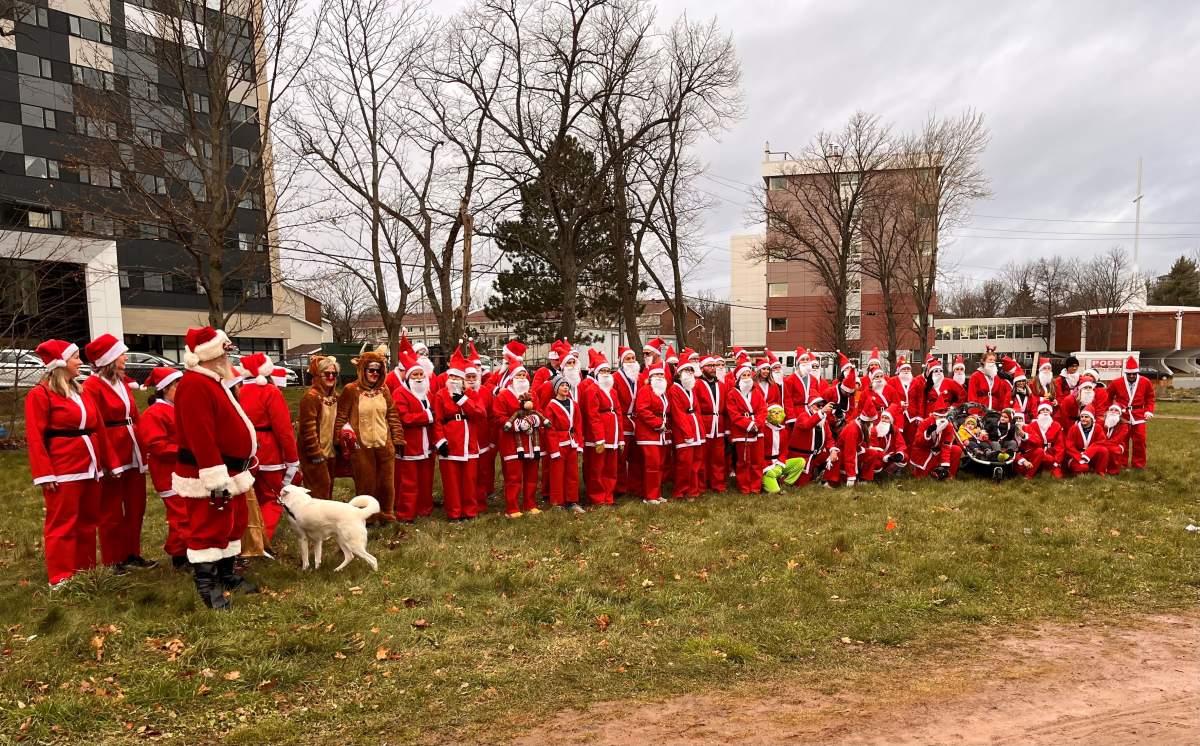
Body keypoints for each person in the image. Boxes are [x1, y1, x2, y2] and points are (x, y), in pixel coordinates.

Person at [171, 327, 259, 610]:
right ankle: (207, 587)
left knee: (231, 524)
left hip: (230, 470)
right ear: (211, 353)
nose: (229, 355)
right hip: (209, 473)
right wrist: (214, 476)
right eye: (225, 349)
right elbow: (200, 435)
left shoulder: (214, 382)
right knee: (207, 528)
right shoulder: (195, 385)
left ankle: (226, 574)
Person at [25, 340, 109, 588]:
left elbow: (96, 427)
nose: (80, 362)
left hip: (89, 465)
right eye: (76, 358)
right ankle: (61, 576)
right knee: (63, 522)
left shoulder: (80, 391)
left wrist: (102, 462)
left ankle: (85, 570)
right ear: (61, 363)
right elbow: (35, 437)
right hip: (63, 468)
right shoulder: (39, 394)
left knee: (87, 519)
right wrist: (44, 474)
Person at [82, 334, 153, 572]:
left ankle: (132, 552)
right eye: (121, 354)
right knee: (111, 507)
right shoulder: (92, 386)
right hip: (112, 446)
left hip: (132, 447)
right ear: (110, 359)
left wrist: (145, 445)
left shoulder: (122, 383)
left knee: (136, 505)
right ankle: (114, 558)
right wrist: (107, 459)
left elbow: (135, 414)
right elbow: (96, 423)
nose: (125, 357)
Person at [335, 349, 405, 522]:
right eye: (371, 370)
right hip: (361, 447)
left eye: (378, 370)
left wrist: (397, 438)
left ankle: (386, 514)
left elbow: (392, 415)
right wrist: (339, 440)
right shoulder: (351, 390)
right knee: (366, 483)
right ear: (363, 370)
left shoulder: (384, 390)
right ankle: (366, 517)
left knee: (386, 484)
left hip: (384, 444)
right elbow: (341, 417)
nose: (375, 373)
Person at [237, 354, 299, 545]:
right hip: (269, 451)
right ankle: (259, 542)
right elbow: (284, 429)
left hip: (243, 449)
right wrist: (292, 458)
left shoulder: (235, 390)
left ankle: (242, 540)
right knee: (272, 498)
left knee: (247, 498)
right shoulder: (270, 392)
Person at [136, 367, 188, 571]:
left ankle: (183, 549)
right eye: (177, 386)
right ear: (166, 389)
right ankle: (179, 554)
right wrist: (184, 451)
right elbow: (156, 445)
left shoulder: (175, 408)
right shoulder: (155, 413)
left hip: (181, 470)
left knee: (186, 512)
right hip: (168, 472)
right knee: (180, 514)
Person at [433, 349, 483, 520]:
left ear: (463, 380)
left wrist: (462, 400)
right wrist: (440, 441)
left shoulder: (471, 394)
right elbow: (437, 420)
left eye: (458, 378)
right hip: (451, 443)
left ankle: (469, 511)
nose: (454, 381)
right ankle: (454, 513)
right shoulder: (440, 395)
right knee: (452, 482)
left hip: (469, 443)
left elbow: (480, 414)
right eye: (452, 378)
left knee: (469, 480)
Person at [494, 366, 544, 518]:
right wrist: (517, 424)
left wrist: (534, 419)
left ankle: (530, 504)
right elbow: (498, 417)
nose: (522, 378)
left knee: (532, 474)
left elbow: (540, 412)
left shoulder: (533, 395)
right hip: (511, 443)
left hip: (531, 441)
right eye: (519, 375)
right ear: (512, 377)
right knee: (513, 476)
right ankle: (512, 507)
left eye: (524, 375)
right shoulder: (503, 396)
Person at [297, 355, 341, 501]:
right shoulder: (311, 397)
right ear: (317, 376)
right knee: (318, 489)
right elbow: (307, 429)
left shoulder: (336, 397)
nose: (330, 377)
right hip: (314, 453)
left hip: (331, 451)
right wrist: (315, 453)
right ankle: (313, 521)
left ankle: (326, 519)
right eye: (326, 374)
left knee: (328, 487)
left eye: (333, 374)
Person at [581, 350, 621, 506]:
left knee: (611, 468)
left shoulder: (613, 391)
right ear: (596, 373)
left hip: (613, 434)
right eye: (602, 371)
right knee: (597, 468)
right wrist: (599, 438)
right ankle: (597, 497)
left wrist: (621, 438)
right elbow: (592, 415)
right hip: (599, 436)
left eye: (607, 370)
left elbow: (618, 412)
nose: (605, 373)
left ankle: (608, 496)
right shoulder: (591, 391)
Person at [543, 374, 584, 512]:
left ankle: (572, 501)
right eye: (562, 385)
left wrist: (579, 443)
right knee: (557, 473)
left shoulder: (574, 404)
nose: (565, 387)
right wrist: (554, 449)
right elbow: (550, 429)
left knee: (572, 473)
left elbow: (578, 424)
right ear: (556, 388)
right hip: (559, 443)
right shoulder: (551, 406)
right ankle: (557, 502)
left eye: (567, 385)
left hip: (571, 442)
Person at [667, 353, 704, 501]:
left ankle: (693, 490)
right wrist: (688, 433)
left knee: (695, 462)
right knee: (684, 462)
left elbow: (697, 410)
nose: (689, 373)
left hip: (695, 427)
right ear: (679, 372)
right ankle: (680, 491)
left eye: (691, 370)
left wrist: (700, 431)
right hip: (683, 431)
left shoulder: (691, 388)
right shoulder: (674, 390)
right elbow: (678, 414)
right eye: (686, 370)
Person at [723, 363, 765, 495]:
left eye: (748, 375)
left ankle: (756, 487)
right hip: (742, 432)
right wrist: (748, 424)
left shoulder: (757, 392)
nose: (747, 378)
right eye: (744, 375)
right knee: (744, 461)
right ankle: (745, 487)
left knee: (757, 461)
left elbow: (763, 410)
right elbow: (734, 414)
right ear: (738, 378)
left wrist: (757, 424)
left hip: (757, 431)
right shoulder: (732, 394)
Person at [1108, 356, 1155, 469]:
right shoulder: (1116, 382)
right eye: (1129, 374)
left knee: (1140, 440)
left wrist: (1149, 411)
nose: (1132, 376)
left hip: (1139, 415)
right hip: (1122, 416)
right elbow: (1108, 397)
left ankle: (1138, 464)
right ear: (1125, 373)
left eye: (1134, 374)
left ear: (1137, 372)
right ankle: (1121, 463)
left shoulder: (1145, 382)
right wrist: (1110, 411)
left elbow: (1150, 398)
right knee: (1122, 440)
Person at [635, 362, 671, 504]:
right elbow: (642, 410)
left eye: (661, 374)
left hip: (661, 434)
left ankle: (656, 493)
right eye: (656, 374)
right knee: (652, 464)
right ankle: (650, 496)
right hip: (648, 434)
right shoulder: (645, 390)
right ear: (651, 377)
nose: (660, 376)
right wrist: (658, 423)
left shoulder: (663, 392)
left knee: (660, 464)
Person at [465, 342, 495, 515]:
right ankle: (469, 501)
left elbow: (491, 416)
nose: (471, 380)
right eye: (468, 377)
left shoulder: (485, 392)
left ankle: (482, 502)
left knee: (483, 472)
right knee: (469, 475)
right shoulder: (459, 393)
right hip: (466, 441)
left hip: (482, 439)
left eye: (474, 376)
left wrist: (491, 439)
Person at [694, 353, 727, 493]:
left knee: (718, 457)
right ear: (702, 368)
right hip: (704, 423)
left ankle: (718, 484)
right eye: (709, 366)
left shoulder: (721, 385)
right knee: (702, 457)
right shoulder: (696, 384)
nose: (713, 368)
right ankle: (701, 485)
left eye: (714, 366)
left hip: (718, 424)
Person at [612, 346, 642, 498]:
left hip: (636, 421)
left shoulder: (640, 377)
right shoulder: (615, 378)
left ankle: (635, 486)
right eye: (628, 359)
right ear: (622, 361)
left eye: (633, 358)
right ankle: (619, 487)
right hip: (622, 420)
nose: (631, 361)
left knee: (636, 456)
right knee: (620, 457)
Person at [788, 395, 838, 486]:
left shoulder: (823, 420)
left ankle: (827, 480)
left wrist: (833, 450)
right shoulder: (802, 416)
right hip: (802, 456)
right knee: (801, 484)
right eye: (818, 405)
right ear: (810, 406)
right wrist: (821, 412)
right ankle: (814, 476)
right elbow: (807, 425)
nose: (821, 407)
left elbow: (829, 438)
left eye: (823, 405)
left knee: (836, 454)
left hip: (816, 455)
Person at [908, 399, 962, 480]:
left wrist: (945, 465)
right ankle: (930, 470)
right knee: (920, 477)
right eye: (940, 417)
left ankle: (949, 475)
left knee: (956, 450)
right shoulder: (925, 423)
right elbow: (918, 443)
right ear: (934, 416)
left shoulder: (948, 426)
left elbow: (946, 446)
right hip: (924, 452)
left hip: (938, 451)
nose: (943, 419)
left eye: (944, 417)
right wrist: (927, 434)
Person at [826, 397, 874, 487]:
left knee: (872, 453)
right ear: (866, 422)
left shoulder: (861, 426)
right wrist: (851, 476)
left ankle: (863, 478)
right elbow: (849, 453)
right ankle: (836, 480)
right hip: (842, 455)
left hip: (854, 451)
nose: (871, 425)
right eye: (870, 423)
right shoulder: (853, 430)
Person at [1014, 401, 1065, 479]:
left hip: (1050, 453)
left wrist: (1057, 461)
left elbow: (1060, 445)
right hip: (1036, 452)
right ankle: (1033, 472)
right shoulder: (1032, 425)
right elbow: (1029, 443)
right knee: (1039, 453)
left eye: (1047, 410)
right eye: (1042, 410)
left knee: (1057, 476)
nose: (1045, 412)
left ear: (1050, 412)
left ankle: (1046, 469)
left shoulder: (1056, 425)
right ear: (1038, 412)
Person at [863, 406, 907, 480]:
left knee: (904, 457)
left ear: (891, 420)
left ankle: (888, 472)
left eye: (886, 418)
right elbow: (873, 448)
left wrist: (900, 453)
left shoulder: (895, 430)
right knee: (877, 464)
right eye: (882, 417)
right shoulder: (875, 430)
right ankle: (875, 476)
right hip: (879, 455)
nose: (883, 420)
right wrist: (885, 456)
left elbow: (901, 444)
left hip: (890, 454)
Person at [1064, 406, 1109, 475]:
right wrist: (1079, 457)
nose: (1083, 419)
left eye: (1086, 417)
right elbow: (1069, 446)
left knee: (1104, 450)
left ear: (1091, 419)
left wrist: (1088, 453)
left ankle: (1100, 472)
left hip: (1091, 454)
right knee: (1083, 468)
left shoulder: (1098, 428)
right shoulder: (1074, 428)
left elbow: (1101, 442)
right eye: (1082, 417)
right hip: (1077, 455)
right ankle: (1080, 469)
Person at [891, 356, 922, 449]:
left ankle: (910, 460)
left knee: (912, 440)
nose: (906, 370)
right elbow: (889, 397)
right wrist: (898, 403)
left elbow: (920, 399)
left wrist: (919, 415)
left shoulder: (916, 381)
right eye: (904, 368)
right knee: (898, 438)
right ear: (899, 370)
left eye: (908, 368)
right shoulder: (892, 381)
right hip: (898, 414)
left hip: (912, 416)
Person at [1099, 403, 1130, 476]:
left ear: (1119, 413)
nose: (1113, 411)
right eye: (1111, 410)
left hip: (1117, 444)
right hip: (1103, 443)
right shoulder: (1102, 422)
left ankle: (1113, 470)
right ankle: (1100, 468)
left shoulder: (1124, 425)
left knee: (1113, 450)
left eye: (1116, 410)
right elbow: (1099, 435)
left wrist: (1105, 444)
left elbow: (1118, 439)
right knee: (1100, 449)